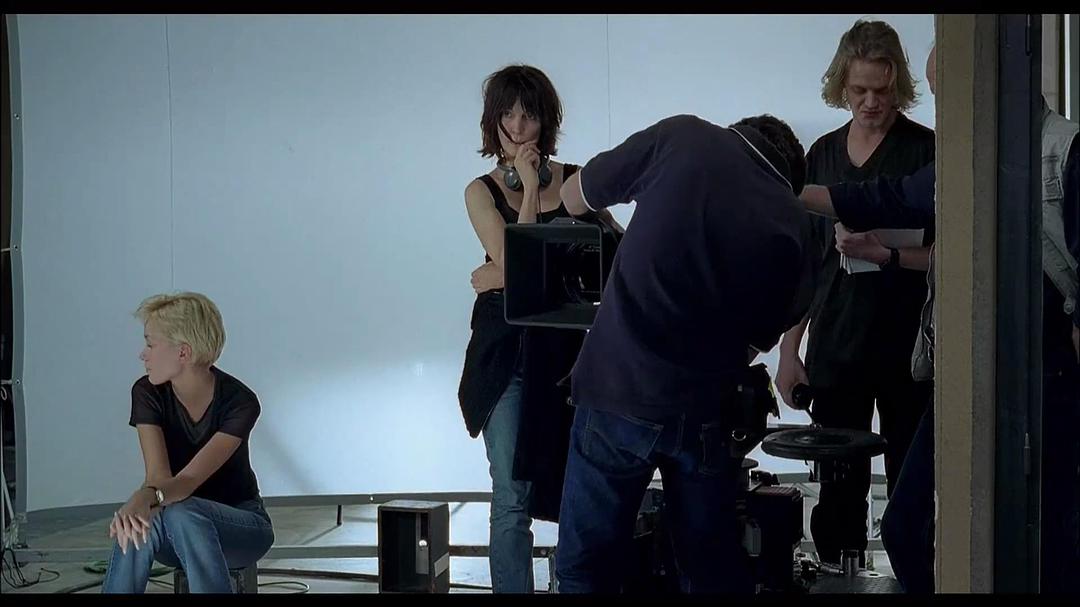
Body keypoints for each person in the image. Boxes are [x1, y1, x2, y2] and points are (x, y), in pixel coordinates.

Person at [800, 47, 1080, 593]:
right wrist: (788, 191)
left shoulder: (1065, 149)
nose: (942, 106)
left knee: (1052, 540)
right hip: (973, 360)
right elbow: (885, 198)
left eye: (945, 90)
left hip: (1048, 371)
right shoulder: (964, 155)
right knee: (908, 528)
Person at [553, 112, 815, 593]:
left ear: (740, 131)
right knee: (707, 571)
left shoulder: (683, 137)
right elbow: (758, 341)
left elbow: (574, 196)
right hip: (705, 414)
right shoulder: (796, 223)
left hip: (617, 390)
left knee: (586, 567)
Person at [774, 20, 936, 568]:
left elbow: (958, 260)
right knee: (838, 492)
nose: (871, 103)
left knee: (911, 494)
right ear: (841, 85)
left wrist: (886, 254)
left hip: (909, 351)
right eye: (860, 90)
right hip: (836, 346)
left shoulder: (925, 151)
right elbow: (805, 263)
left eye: (882, 91)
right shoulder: (821, 154)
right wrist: (789, 352)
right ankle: (836, 576)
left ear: (899, 86)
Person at [456, 64, 621, 594]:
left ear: (545, 121)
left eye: (528, 116)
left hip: (567, 358)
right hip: (505, 357)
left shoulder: (576, 182)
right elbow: (517, 259)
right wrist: (528, 190)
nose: (518, 127)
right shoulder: (481, 190)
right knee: (511, 496)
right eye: (507, 115)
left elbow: (615, 255)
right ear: (493, 122)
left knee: (579, 488)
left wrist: (497, 276)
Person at [102, 292, 274, 593]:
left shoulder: (240, 402)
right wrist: (140, 505)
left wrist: (145, 497)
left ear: (183, 352)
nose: (143, 354)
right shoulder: (147, 393)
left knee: (182, 512)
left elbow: (188, 481)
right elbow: (158, 478)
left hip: (241, 527)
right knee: (138, 523)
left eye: (151, 344)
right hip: (175, 525)